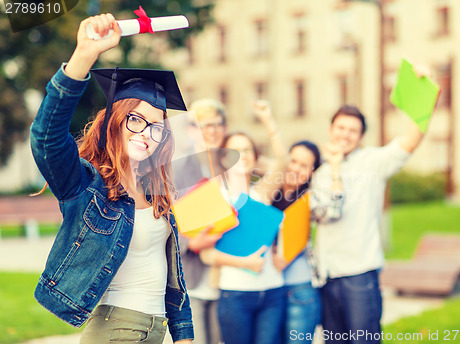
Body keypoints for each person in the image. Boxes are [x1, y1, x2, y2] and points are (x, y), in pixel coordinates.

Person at [30, 14, 193, 344]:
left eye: (157, 126)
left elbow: (171, 275)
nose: (146, 133)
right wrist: (84, 56)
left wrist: (184, 335)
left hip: (155, 332)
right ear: (115, 121)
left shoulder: (156, 191)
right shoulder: (87, 187)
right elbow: (46, 137)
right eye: (136, 119)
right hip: (115, 332)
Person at [311, 103, 430, 343]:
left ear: (361, 136)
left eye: (352, 130)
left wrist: (426, 97)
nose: (345, 134)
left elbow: (411, 140)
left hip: (359, 275)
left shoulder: (372, 162)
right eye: (340, 127)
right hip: (326, 276)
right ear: (330, 129)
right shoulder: (320, 171)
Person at [200, 100, 287, 344]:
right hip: (235, 293)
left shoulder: (263, 192)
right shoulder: (214, 194)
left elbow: (281, 159)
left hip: (273, 291)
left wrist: (268, 119)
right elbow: (207, 256)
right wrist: (245, 262)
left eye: (248, 150)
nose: (242, 156)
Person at [272, 141, 343, 344]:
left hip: (300, 290)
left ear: (312, 173)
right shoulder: (265, 193)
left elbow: (334, 211)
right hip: (267, 290)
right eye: (293, 161)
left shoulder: (309, 199)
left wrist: (336, 168)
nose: (295, 168)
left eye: (304, 166)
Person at [173, 98, 229, 344]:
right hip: (194, 278)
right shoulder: (178, 170)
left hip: (228, 278)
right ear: (191, 130)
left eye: (217, 124)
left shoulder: (234, 168)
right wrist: (191, 244)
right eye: (204, 125)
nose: (212, 130)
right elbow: (167, 222)